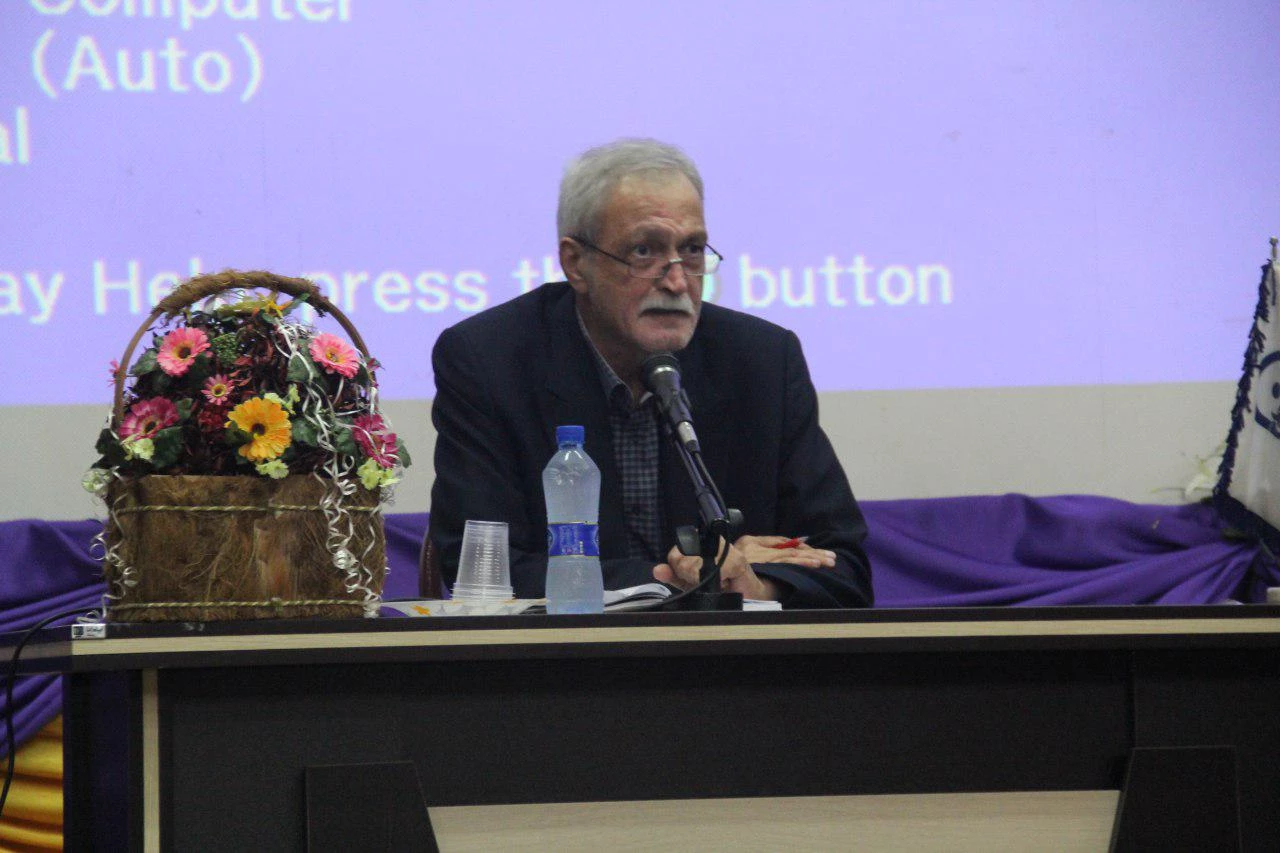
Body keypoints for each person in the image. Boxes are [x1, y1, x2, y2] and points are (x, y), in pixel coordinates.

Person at [427, 139, 872, 608]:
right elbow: (481, 569)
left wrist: (756, 585)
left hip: (730, 652)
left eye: (692, 250)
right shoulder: (489, 360)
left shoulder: (762, 361)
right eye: (644, 251)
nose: (677, 281)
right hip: (564, 650)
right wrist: (690, 577)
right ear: (576, 264)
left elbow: (843, 565)